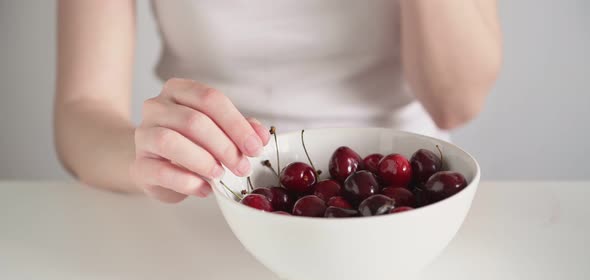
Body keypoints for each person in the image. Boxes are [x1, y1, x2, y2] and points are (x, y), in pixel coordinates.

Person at [54, 0, 502, 203]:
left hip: (410, 209)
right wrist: (145, 160)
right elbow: (81, 109)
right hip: (214, 204)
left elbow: (456, 101)